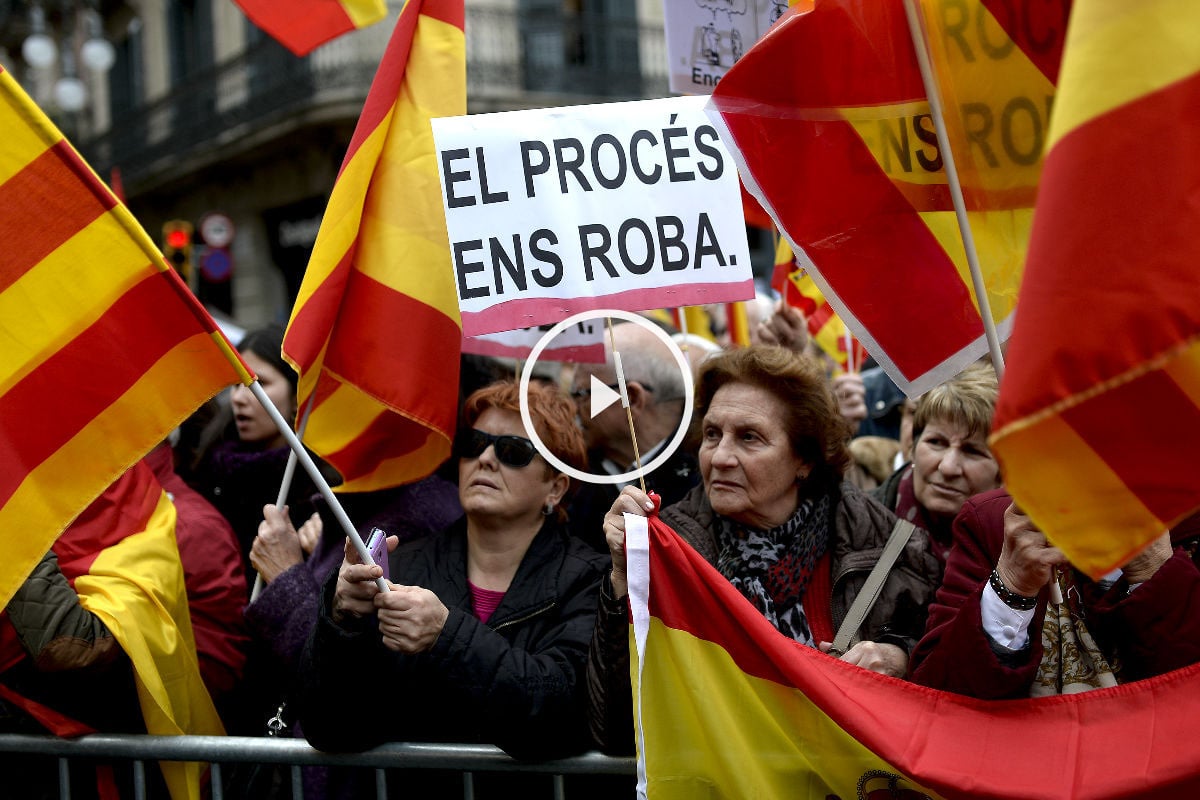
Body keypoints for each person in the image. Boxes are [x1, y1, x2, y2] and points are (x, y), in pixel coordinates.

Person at [587, 345, 942, 753]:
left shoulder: (890, 548)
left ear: (803, 459)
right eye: (713, 434)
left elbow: (947, 703)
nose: (720, 457)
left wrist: (902, 658)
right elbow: (615, 731)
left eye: (749, 438)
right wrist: (621, 579)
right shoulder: (667, 546)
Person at [295, 381, 608, 795]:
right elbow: (334, 728)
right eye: (474, 443)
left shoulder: (589, 580)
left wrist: (446, 636)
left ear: (556, 487)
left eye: (513, 451)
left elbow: (561, 714)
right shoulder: (402, 567)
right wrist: (343, 620)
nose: (486, 458)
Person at [910, 489, 1200, 698]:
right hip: (1031, 769)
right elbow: (936, 699)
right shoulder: (998, 523)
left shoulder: (1189, 526)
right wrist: (1011, 586)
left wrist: (1155, 571)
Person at [187, 324, 319, 596]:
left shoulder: (322, 487)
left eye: (259, 384)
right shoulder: (206, 466)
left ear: (297, 394)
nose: (239, 398)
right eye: (236, 383)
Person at [567, 321, 699, 551]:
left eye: (582, 393)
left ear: (633, 399)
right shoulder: (570, 478)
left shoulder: (709, 475)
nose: (573, 407)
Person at [873, 363, 1000, 567]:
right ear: (913, 448)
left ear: (1002, 473)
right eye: (936, 442)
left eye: (972, 451)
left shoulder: (1030, 555)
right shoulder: (855, 527)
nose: (948, 467)